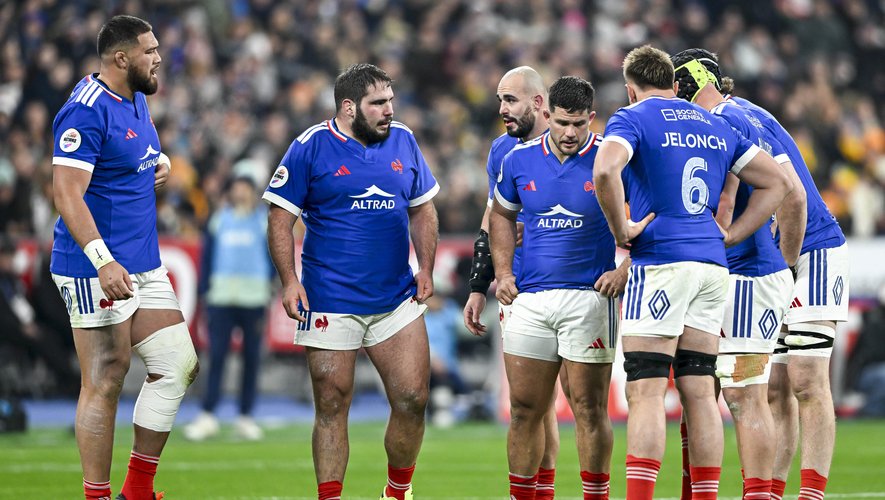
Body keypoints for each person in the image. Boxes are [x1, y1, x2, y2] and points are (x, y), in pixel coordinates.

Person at [592, 45, 791, 500]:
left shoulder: (633, 117)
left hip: (661, 260)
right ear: (675, 84)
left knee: (645, 390)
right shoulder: (713, 123)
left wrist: (621, 229)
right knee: (701, 391)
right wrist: (733, 233)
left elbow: (606, 170)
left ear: (631, 89)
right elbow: (777, 183)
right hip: (712, 265)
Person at [263, 63, 439, 500]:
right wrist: (289, 280)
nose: (389, 111)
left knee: (413, 400)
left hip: (395, 297)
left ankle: (397, 492)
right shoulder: (309, 147)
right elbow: (280, 218)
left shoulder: (404, 140)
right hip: (329, 298)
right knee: (331, 404)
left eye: (391, 101)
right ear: (348, 107)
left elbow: (422, 208)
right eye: (378, 103)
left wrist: (428, 269)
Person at [49, 15, 198, 500]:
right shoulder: (85, 110)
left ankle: (137, 490)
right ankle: (96, 495)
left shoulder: (136, 97)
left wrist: (159, 162)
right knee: (106, 378)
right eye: (150, 50)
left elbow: (130, 155)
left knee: (178, 364)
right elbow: (66, 193)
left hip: (142, 263)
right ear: (121, 58)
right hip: (96, 266)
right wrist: (102, 261)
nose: (159, 57)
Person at [706, 53, 849, 500]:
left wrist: (786, 266)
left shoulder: (730, 117)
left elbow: (794, 197)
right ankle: (774, 491)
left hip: (813, 250)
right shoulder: (742, 111)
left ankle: (812, 494)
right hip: (782, 256)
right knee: (774, 387)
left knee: (807, 377)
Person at [670, 48, 806, 500]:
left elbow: (763, 193)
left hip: (750, 275)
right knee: (701, 390)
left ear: (687, 85)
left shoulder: (722, 120)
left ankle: (759, 495)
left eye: (676, 87)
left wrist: (725, 238)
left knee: (744, 393)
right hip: (743, 274)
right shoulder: (739, 114)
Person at [491, 75, 625, 500]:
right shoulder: (518, 159)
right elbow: (500, 216)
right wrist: (503, 272)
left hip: (590, 297)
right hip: (530, 298)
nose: (569, 133)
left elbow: (654, 210)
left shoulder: (612, 158)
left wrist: (627, 267)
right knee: (525, 410)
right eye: (562, 123)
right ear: (547, 115)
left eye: (579, 125)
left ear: (592, 118)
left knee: (588, 409)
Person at [462, 65, 566, 499]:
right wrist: (477, 283)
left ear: (538, 103)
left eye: (511, 100)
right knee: (532, 406)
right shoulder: (501, 150)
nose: (501, 109)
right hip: (518, 287)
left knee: (578, 407)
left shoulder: (571, 142)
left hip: (570, 283)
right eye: (500, 99)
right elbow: (493, 217)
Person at [184, 174, 273, 442]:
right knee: (217, 357)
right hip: (221, 299)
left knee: (251, 359)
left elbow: (272, 256)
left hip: (254, 298)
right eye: (237, 189)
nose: (241, 193)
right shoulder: (219, 219)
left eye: (246, 188)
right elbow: (207, 257)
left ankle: (245, 416)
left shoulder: (262, 222)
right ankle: (208, 415)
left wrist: (270, 287)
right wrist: (205, 292)